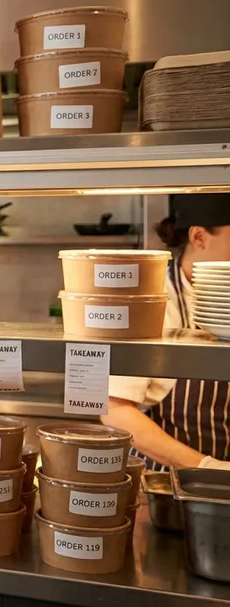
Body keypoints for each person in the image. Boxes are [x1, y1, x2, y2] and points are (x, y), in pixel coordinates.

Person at [104, 193, 230, 471]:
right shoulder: (151, 300)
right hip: (166, 483)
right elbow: (114, 409)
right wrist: (208, 467)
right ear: (199, 237)